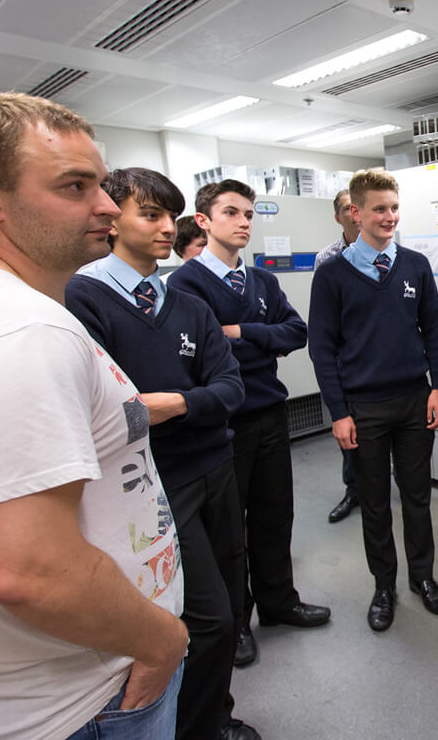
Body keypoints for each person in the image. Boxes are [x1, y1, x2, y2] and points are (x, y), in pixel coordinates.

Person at [0, 93, 187, 739]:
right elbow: (33, 572)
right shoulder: (22, 331)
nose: (107, 206)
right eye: (75, 186)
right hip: (81, 698)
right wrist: (163, 639)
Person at [65, 168, 259, 740]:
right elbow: (111, 412)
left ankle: (216, 716)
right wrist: (192, 401)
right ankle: (197, 729)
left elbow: (232, 388)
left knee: (230, 600)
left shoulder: (185, 299)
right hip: (154, 481)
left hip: (214, 466)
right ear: (112, 215)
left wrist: (173, 402)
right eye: (149, 215)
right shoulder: (83, 296)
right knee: (208, 617)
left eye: (168, 217)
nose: (164, 228)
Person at [168, 179, 329, 671]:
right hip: (222, 424)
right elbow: (201, 356)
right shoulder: (185, 285)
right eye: (232, 213)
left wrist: (241, 332)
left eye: (249, 214)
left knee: (274, 515)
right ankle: (237, 621)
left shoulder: (262, 281)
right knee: (228, 531)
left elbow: (296, 332)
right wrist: (262, 341)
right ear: (204, 221)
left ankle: (279, 602)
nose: (243, 222)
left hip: (269, 413)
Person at [308, 168, 438, 631]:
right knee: (373, 501)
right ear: (356, 212)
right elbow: (322, 349)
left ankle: (423, 579)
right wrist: (339, 413)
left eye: (393, 208)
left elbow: (433, 329)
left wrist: (437, 386)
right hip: (363, 409)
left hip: (414, 401)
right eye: (379, 209)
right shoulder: (332, 274)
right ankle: (383, 586)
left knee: (417, 496)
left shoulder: (415, 265)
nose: (389, 217)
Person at [315, 188, 362, 523]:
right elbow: (324, 322)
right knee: (350, 432)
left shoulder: (394, 255)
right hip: (348, 361)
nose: (355, 213)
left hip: (382, 362)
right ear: (339, 216)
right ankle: (354, 490)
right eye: (348, 208)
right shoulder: (327, 259)